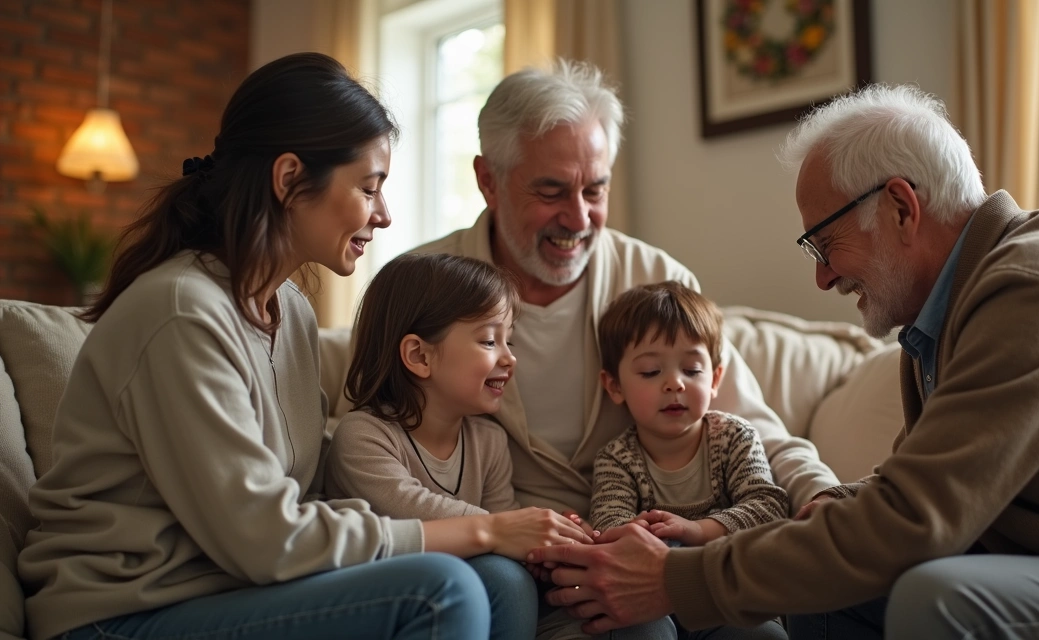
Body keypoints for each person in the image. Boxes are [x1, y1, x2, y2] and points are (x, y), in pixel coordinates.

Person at [528, 83, 1039, 640]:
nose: (823, 278)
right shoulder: (954, 311)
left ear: (900, 208)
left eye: (824, 244)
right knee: (823, 589)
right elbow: (915, 486)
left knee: (936, 598)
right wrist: (818, 516)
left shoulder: (1031, 293)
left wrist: (677, 580)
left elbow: (917, 522)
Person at [17, 53, 495, 640]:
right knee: (443, 591)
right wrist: (482, 530)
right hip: (119, 613)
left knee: (498, 579)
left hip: (232, 592)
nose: (385, 215)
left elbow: (304, 495)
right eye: (369, 188)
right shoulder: (179, 313)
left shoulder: (289, 310)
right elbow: (268, 539)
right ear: (290, 178)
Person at [405, 57, 838, 524]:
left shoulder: (656, 278)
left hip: (637, 542)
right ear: (488, 180)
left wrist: (825, 492)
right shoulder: (419, 287)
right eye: (551, 193)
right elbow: (375, 440)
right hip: (491, 537)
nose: (578, 218)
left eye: (595, 191)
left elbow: (749, 425)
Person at [325, 252, 595, 640]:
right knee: (506, 579)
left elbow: (507, 529)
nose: (510, 357)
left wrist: (549, 544)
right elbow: (415, 512)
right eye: (489, 340)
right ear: (419, 356)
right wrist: (515, 532)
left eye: (509, 339)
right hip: (397, 604)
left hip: (479, 592)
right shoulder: (363, 437)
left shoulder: (489, 441)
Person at [591, 281, 787, 640]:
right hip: (646, 598)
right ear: (614, 386)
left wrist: (697, 531)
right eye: (651, 371)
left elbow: (769, 506)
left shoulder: (734, 438)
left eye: (692, 370)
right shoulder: (616, 458)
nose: (674, 384)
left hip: (724, 594)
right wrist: (650, 540)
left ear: (714, 379)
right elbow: (608, 525)